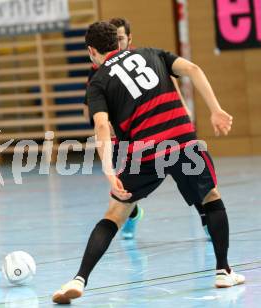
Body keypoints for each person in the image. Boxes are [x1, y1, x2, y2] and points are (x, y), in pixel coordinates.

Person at [53, 21, 245, 304]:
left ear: (92, 51)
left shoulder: (97, 82)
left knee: (115, 213)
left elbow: (102, 126)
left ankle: (79, 278)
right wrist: (215, 110)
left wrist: (107, 169)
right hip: (180, 140)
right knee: (211, 197)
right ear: (119, 43)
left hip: (143, 151)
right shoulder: (152, 54)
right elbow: (193, 70)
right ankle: (223, 270)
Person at [85, 17, 210, 240]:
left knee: (189, 174)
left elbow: (168, 85)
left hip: (158, 132)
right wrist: (105, 127)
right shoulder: (98, 73)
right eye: (117, 39)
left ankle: (206, 216)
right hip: (123, 139)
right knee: (120, 186)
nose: (119, 43)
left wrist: (183, 112)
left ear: (127, 39)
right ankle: (132, 214)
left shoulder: (144, 59)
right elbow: (94, 112)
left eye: (121, 38)